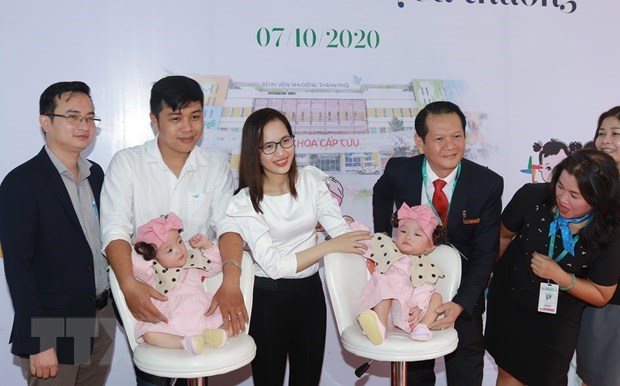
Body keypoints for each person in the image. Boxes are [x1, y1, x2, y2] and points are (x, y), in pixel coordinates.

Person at [100, 75, 246, 386]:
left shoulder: (215, 165)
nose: (188, 128)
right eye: (175, 118)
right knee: (157, 375)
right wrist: (128, 285)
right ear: (154, 120)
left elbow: (229, 226)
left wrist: (231, 281)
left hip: (196, 291)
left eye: (195, 117)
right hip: (145, 288)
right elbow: (114, 230)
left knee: (204, 360)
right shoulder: (127, 164)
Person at [226, 107, 371, 386]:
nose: (280, 152)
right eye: (268, 146)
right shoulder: (244, 202)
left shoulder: (312, 181)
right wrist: (327, 248)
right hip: (267, 299)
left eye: (285, 141)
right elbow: (274, 265)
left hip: (310, 295)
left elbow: (339, 230)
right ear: (253, 152)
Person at [373, 100, 503, 386]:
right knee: (417, 369)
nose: (450, 146)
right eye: (439, 138)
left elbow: (485, 253)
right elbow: (381, 194)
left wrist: (460, 304)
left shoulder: (487, 184)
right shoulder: (399, 171)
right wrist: (382, 241)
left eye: (457, 136)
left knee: (466, 366)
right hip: (412, 286)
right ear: (420, 142)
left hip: (463, 287)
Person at [0, 81, 115, 385]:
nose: (84, 125)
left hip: (102, 315)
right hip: (55, 322)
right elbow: (18, 268)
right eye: (73, 116)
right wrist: (39, 342)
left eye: (90, 118)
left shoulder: (97, 175)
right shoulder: (21, 183)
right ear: (46, 122)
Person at [485, 149, 620, 386]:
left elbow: (602, 294)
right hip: (510, 301)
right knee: (507, 373)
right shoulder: (532, 197)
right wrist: (487, 276)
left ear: (599, 198)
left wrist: (560, 276)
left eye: (575, 195)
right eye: (560, 187)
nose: (563, 199)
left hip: (557, 318)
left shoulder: (610, 233)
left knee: (548, 378)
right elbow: (503, 237)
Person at [132, 212, 228, 354]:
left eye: (179, 241)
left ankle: (209, 336)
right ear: (154, 257)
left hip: (199, 312)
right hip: (171, 317)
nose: (178, 250)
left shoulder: (194, 261)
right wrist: (138, 247)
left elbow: (216, 266)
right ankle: (185, 342)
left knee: (232, 320)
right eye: (169, 250)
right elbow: (134, 265)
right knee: (148, 334)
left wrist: (207, 246)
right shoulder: (153, 272)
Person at [356, 204, 448, 344]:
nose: (408, 237)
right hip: (385, 306)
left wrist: (418, 306)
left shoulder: (426, 265)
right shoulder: (388, 249)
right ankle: (379, 326)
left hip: (409, 312)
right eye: (403, 231)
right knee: (384, 282)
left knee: (436, 296)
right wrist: (351, 225)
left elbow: (425, 288)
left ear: (429, 246)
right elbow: (368, 239)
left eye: (417, 234)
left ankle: (423, 327)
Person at [576, 106, 620, 386]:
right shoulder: (592, 185)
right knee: (595, 377)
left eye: (616, 133)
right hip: (599, 299)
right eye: (601, 132)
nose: (605, 140)